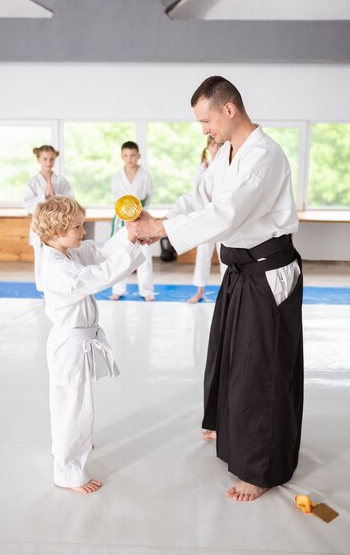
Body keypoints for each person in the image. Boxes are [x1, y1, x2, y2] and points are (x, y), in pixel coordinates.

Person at [127, 76, 303, 503]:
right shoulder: (226, 154)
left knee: (261, 368)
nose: (203, 130)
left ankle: (262, 469)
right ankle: (231, 426)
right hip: (241, 270)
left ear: (228, 109)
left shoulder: (264, 155)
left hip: (267, 272)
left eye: (205, 120)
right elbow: (199, 198)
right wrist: (161, 222)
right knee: (228, 355)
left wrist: (164, 229)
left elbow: (226, 214)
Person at [32, 196, 144, 494]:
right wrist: (132, 244)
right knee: (75, 407)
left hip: (73, 341)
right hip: (70, 344)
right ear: (56, 231)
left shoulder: (67, 252)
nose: (84, 232)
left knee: (68, 401)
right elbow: (98, 277)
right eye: (78, 227)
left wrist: (130, 233)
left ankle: (66, 445)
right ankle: (68, 472)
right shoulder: (57, 266)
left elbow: (101, 252)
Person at [23, 145, 74, 291]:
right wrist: (43, 196)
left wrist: (55, 196)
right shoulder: (32, 183)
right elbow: (27, 205)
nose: (48, 162)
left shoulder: (61, 181)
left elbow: (70, 201)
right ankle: (43, 288)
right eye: (45, 159)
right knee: (40, 256)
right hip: (39, 225)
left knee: (59, 254)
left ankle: (57, 286)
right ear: (39, 159)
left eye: (51, 159)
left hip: (58, 225)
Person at [110, 141, 155, 301]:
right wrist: (125, 213)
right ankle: (118, 288)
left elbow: (149, 195)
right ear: (122, 156)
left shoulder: (145, 176)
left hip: (140, 216)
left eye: (133, 155)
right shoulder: (117, 177)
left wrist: (140, 212)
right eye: (126, 155)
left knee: (144, 253)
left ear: (138, 156)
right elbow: (115, 197)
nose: (129, 159)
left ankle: (147, 290)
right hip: (122, 218)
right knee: (121, 252)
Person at [188, 136, 226, 304]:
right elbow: (196, 193)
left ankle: (228, 291)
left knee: (225, 255)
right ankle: (200, 290)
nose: (216, 149)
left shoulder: (227, 165)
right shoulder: (202, 168)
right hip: (205, 216)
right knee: (203, 254)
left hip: (223, 217)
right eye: (213, 146)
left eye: (219, 145)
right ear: (207, 148)